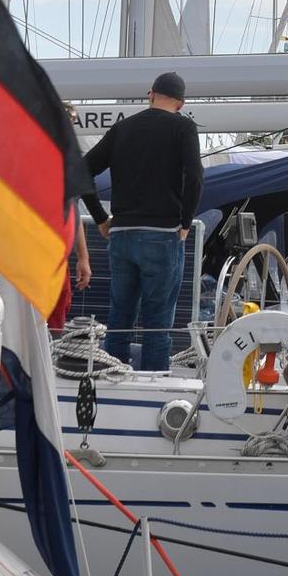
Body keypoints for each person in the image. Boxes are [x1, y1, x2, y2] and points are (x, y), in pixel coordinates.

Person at [82, 72, 203, 372]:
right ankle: (152, 386)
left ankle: (113, 380)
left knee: (120, 318)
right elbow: (196, 178)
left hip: (121, 234)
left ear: (150, 94)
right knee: (157, 323)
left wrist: (100, 217)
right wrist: (185, 222)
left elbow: (81, 170)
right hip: (163, 234)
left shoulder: (122, 128)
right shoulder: (184, 127)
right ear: (181, 103)